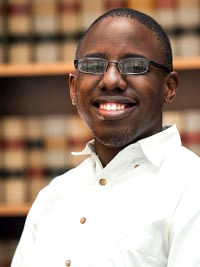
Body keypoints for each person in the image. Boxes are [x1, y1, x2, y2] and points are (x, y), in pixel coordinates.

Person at [11, 8, 200, 267]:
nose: (111, 80)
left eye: (134, 65)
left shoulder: (191, 188)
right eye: (93, 65)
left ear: (169, 87)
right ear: (73, 89)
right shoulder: (52, 197)